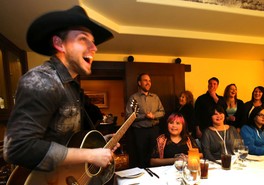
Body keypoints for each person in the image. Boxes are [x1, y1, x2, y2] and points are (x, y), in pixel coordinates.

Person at [3, 6, 119, 172]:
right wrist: (90, 156)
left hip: (62, 181)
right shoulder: (42, 80)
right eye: (83, 39)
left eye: (93, 42)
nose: (94, 47)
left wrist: (97, 146)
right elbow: (18, 148)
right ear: (59, 44)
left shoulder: (72, 87)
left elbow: (68, 140)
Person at [125, 73, 165, 168]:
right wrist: (144, 116)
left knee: (155, 156)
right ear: (139, 83)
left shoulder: (155, 97)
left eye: (149, 81)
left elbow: (162, 112)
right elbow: (128, 116)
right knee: (141, 158)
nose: (148, 83)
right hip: (140, 133)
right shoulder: (133, 98)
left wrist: (154, 115)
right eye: (145, 80)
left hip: (154, 131)